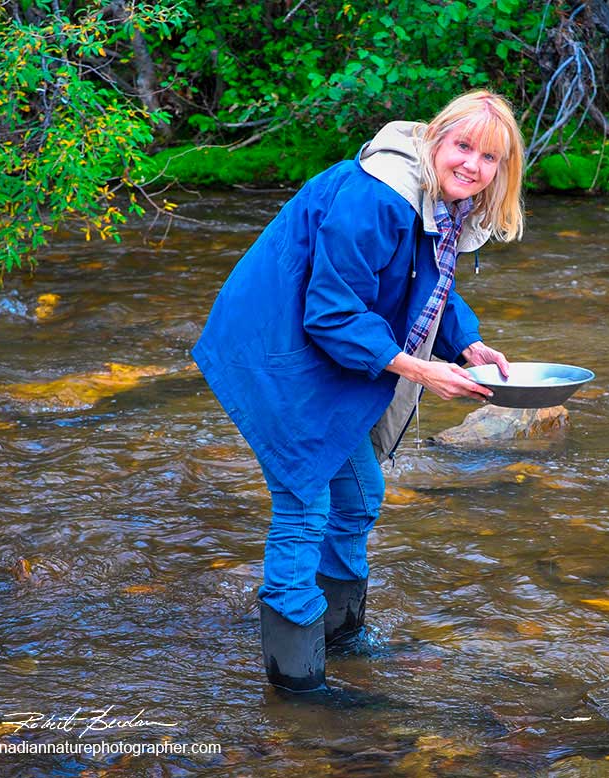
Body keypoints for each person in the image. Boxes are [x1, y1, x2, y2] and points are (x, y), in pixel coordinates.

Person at [192, 90, 525, 695]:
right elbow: (331, 312)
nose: (473, 165)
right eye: (463, 146)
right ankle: (298, 684)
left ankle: (342, 639)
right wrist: (422, 372)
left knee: (360, 494)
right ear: (435, 142)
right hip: (275, 344)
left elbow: (425, 283)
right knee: (304, 498)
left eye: (490, 157)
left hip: (316, 343)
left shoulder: (440, 206)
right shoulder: (380, 195)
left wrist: (467, 345)